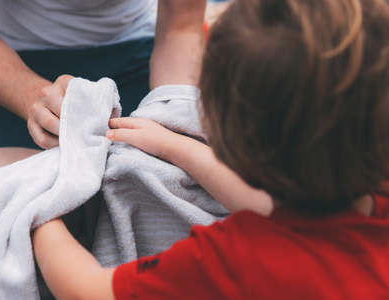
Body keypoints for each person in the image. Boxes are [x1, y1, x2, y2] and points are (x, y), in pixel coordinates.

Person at [33, 0, 389, 298]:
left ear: (228, 140)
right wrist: (175, 146)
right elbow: (265, 204)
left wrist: (42, 213)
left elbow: (90, 290)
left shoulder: (234, 257)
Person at [0, 0, 207, 199]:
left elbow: (181, 28)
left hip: (140, 53)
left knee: (173, 202)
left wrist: (168, 115)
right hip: (7, 61)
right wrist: (32, 97)